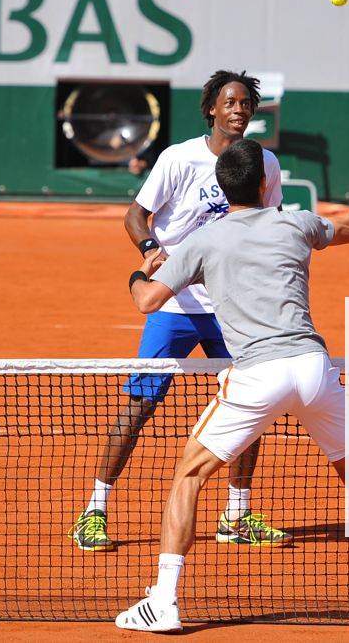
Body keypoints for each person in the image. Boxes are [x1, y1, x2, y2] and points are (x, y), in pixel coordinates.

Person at [114, 138, 349, 632]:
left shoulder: (202, 242)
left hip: (257, 376)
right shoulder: (296, 222)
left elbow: (147, 302)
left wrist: (140, 271)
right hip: (313, 370)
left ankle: (163, 600)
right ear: (265, 184)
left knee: (188, 475)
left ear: (222, 191)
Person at [71, 70, 291, 551]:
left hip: (234, 306)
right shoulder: (178, 159)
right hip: (176, 305)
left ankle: (237, 515)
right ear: (212, 108)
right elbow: (136, 214)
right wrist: (150, 248)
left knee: (251, 405)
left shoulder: (264, 163)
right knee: (140, 404)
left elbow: (268, 224)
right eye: (229, 102)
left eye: (245, 104)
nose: (238, 110)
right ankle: (94, 509)